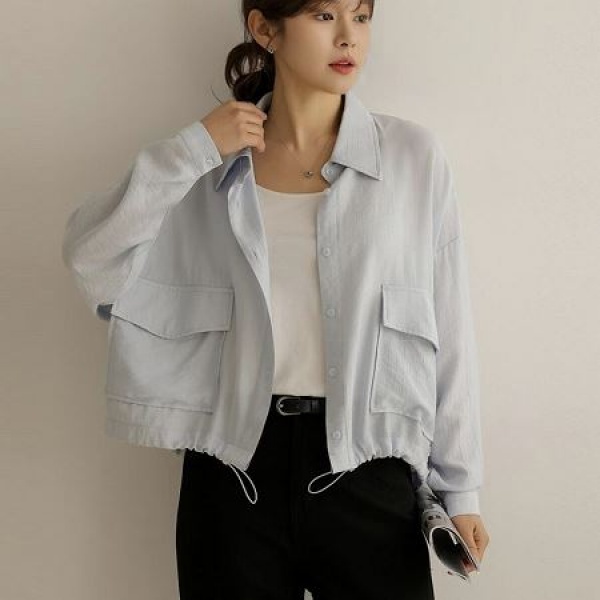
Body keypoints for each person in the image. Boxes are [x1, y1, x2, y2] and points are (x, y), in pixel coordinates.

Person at [62, 0, 490, 598]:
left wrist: (460, 490)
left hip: (368, 467)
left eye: (362, 16)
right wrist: (193, 150)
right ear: (265, 28)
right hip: (233, 473)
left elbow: (450, 326)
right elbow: (91, 259)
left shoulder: (412, 158)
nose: (349, 38)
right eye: (323, 16)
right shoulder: (206, 167)